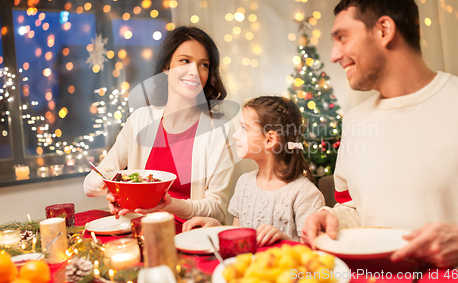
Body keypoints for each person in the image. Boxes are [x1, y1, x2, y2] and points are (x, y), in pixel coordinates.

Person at [302, 0, 458, 270]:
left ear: (384, 30)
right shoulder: (355, 121)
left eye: (342, 38)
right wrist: (332, 217)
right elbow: (356, 208)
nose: (333, 55)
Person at [84, 26, 236, 224]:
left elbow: (217, 209)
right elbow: (90, 184)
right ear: (166, 66)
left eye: (204, 65)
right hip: (142, 231)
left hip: (192, 237)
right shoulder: (140, 120)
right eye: (185, 61)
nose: (195, 72)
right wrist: (117, 190)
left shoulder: (220, 130)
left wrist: (169, 204)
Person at [183, 96, 325, 246]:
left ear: (269, 140)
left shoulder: (305, 194)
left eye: (244, 128)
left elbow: (312, 254)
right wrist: (216, 228)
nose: (235, 135)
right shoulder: (244, 183)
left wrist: (284, 240)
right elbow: (239, 237)